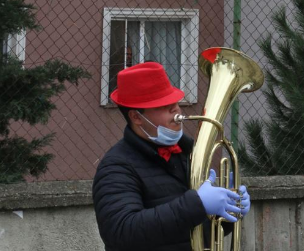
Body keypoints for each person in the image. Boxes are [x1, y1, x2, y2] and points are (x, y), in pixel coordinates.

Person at [92, 62, 251, 251]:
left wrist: (227, 212)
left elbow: (199, 229)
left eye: (175, 102)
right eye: (164, 105)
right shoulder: (116, 167)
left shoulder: (189, 154)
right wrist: (197, 204)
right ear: (136, 117)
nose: (176, 110)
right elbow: (121, 232)